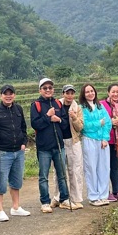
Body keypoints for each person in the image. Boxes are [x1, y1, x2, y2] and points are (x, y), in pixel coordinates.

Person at [0, 84, 30, 222]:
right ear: (1, 95)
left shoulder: (18, 109)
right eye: (5, 93)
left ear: (14, 95)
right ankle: (0, 210)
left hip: (18, 151)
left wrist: (24, 142)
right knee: (1, 181)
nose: (8, 96)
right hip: (2, 152)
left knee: (16, 180)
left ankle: (15, 207)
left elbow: (23, 127)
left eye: (11, 93)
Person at [31, 78, 71, 212]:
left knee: (62, 174)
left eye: (50, 88)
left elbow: (65, 123)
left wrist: (58, 119)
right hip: (44, 147)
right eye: (45, 88)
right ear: (40, 90)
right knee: (43, 176)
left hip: (58, 144)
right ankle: (45, 202)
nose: (48, 90)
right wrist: (48, 117)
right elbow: (35, 124)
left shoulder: (58, 104)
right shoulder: (35, 105)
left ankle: (64, 199)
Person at [51, 84, 84, 209]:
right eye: (67, 93)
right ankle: (58, 197)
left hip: (73, 141)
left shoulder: (77, 107)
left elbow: (80, 127)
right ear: (63, 93)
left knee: (75, 170)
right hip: (58, 141)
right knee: (58, 170)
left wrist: (74, 118)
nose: (69, 95)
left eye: (72, 93)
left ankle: (76, 198)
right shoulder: (56, 105)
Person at [79, 84, 112, 205]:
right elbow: (85, 126)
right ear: (83, 94)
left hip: (102, 141)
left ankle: (103, 195)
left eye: (92, 91)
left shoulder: (100, 106)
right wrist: (99, 123)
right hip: (89, 140)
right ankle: (93, 196)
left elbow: (107, 122)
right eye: (87, 92)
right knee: (91, 168)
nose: (90, 93)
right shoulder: (81, 108)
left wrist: (104, 138)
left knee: (104, 167)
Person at [100, 83, 118, 201]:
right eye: (113, 91)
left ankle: (116, 190)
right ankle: (105, 191)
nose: (116, 94)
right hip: (105, 140)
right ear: (108, 93)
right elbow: (100, 119)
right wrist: (110, 121)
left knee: (115, 166)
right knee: (105, 167)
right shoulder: (102, 105)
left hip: (117, 141)